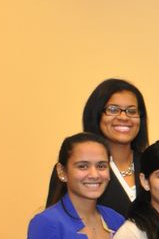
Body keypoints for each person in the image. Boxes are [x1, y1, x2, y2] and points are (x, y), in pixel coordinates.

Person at [47, 78, 150, 215]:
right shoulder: (74, 167)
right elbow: (57, 220)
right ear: (96, 115)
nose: (124, 117)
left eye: (131, 111)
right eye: (113, 110)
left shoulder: (152, 165)